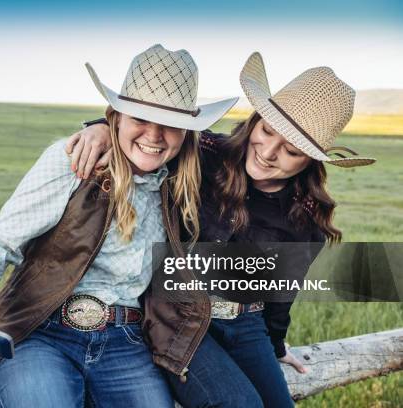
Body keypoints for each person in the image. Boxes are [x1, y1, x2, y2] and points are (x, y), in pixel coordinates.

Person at [0, 44, 237, 408]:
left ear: (187, 132)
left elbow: (256, 166)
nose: (154, 136)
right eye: (140, 118)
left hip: (127, 342)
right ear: (116, 116)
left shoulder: (181, 183)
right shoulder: (74, 161)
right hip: (42, 331)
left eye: (170, 125)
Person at [65, 52, 375, 407]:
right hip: (177, 317)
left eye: (290, 150)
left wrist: (275, 348)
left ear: (311, 160)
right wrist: (100, 127)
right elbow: (152, 134)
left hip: (247, 326)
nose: (268, 152)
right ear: (254, 121)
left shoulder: (304, 221)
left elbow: (278, 299)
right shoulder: (205, 153)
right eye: (267, 131)